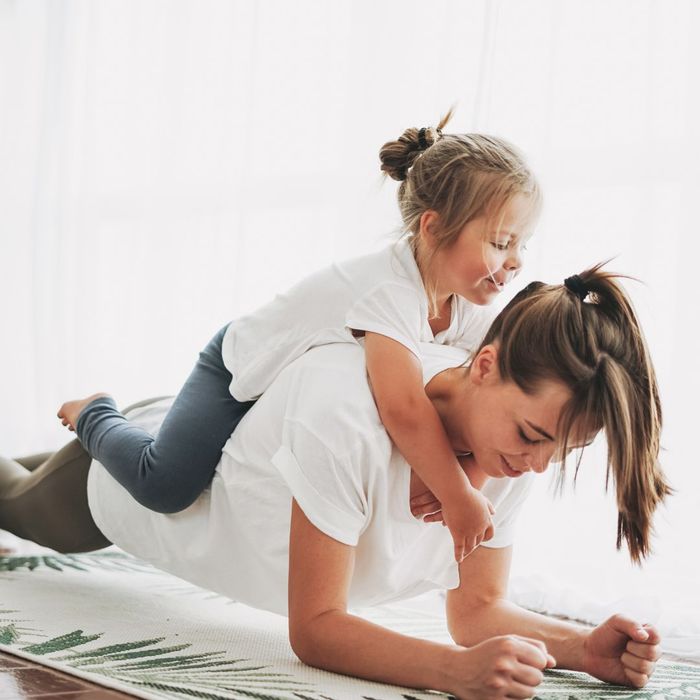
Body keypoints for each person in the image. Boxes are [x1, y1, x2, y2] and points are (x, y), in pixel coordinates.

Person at [0, 266, 670, 699]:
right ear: (485, 365)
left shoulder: (508, 456)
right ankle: (95, 415)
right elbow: (316, 628)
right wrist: (455, 674)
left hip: (196, 432)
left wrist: (582, 650)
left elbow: (476, 613)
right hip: (123, 484)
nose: (538, 466)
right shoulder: (346, 410)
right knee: (12, 502)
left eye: (565, 450)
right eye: (532, 436)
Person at [57, 111, 542, 563]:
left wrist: (469, 484)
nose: (516, 260)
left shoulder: (468, 308)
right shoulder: (390, 290)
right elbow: (404, 410)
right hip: (237, 369)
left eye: (523, 244)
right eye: (501, 243)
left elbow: (482, 400)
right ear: (434, 230)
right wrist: (458, 495)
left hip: (284, 394)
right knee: (166, 486)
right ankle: (96, 413)